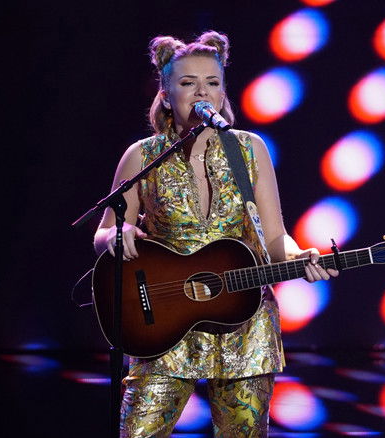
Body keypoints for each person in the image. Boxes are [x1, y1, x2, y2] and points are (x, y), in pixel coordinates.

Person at [93, 30, 338, 438]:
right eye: (188, 83)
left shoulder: (249, 150)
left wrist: (299, 258)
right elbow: (104, 232)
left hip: (244, 325)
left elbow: (274, 238)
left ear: (223, 93)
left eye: (212, 82)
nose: (202, 92)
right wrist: (119, 235)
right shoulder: (142, 156)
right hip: (163, 324)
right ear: (166, 95)